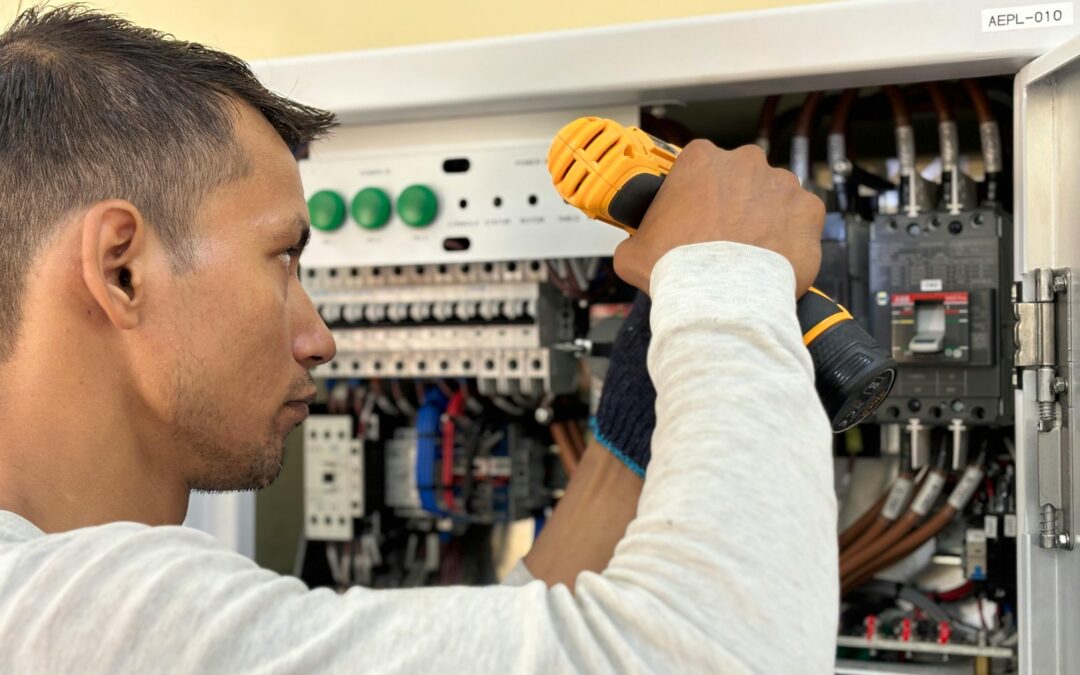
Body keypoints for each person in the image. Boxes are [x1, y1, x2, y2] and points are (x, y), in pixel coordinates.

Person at [0, 6, 836, 673]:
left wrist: (629, 439)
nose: (319, 335)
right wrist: (727, 281)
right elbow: (721, 653)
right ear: (121, 270)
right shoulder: (82, 620)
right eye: (284, 257)